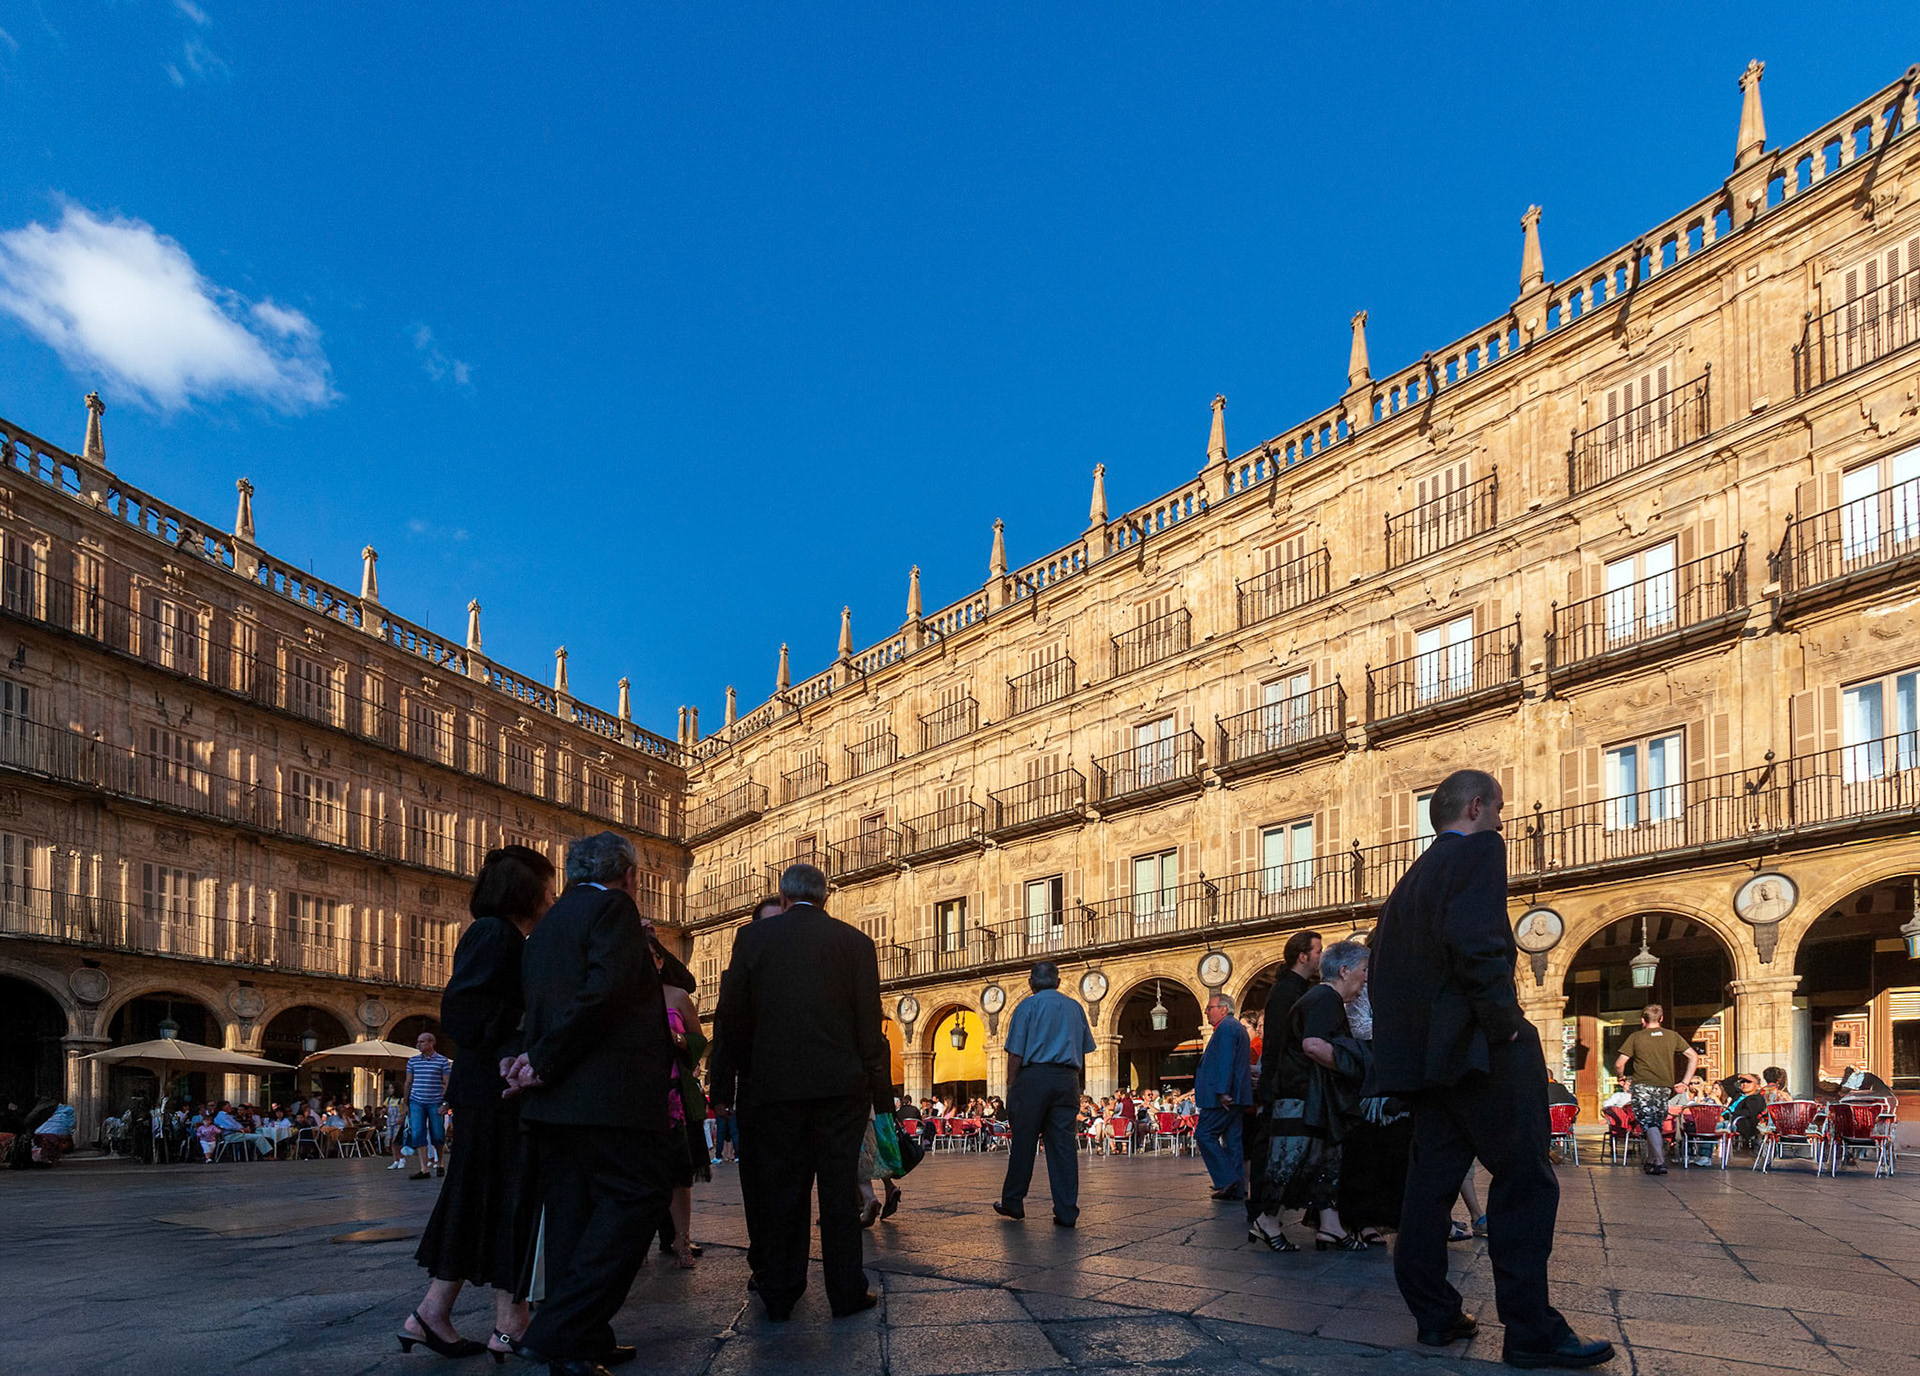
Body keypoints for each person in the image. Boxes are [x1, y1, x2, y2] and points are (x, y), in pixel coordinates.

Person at [1370, 769, 1612, 1368]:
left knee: (1427, 1191)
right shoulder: (1479, 850)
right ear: (1477, 807)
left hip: (1428, 1063)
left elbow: (1385, 975)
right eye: (1500, 810)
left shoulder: (1409, 883)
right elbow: (1477, 943)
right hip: (1479, 1050)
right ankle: (1531, 1332)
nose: (1504, 822)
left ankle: (1436, 1316)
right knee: (1526, 1180)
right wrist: (1505, 1023)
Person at [501, 831, 675, 1376]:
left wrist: (528, 1059)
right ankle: (559, 1332)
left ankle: (581, 1348)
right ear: (629, 875)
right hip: (609, 1097)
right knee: (637, 1198)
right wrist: (544, 1058)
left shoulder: (546, 925)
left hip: (553, 1105)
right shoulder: (615, 908)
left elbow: (538, 1005)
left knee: (572, 1219)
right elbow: (603, 994)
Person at [709, 864, 890, 1321]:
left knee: (782, 1191)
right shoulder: (856, 943)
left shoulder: (753, 939)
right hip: (840, 1090)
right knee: (837, 1191)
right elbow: (870, 1027)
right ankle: (846, 1291)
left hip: (773, 1090)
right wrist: (879, 1091)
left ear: (784, 898)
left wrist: (723, 1084)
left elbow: (730, 1020)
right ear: (826, 897)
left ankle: (781, 1291)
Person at [402, 845, 555, 1362]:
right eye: (549, 887)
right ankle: (510, 1321)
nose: (554, 897)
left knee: (478, 1199)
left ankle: (433, 1312)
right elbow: (462, 1010)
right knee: (508, 1198)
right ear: (527, 891)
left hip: (486, 1093)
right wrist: (525, 1022)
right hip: (493, 1093)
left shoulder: (505, 936)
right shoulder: (495, 934)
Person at [1250, 940, 1370, 1252]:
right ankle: (1267, 1220)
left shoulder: (1320, 997)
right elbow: (1313, 1045)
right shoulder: (1324, 999)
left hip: (1312, 1096)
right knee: (1290, 1160)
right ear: (1344, 971)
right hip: (1301, 1095)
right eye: (1363, 970)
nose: (1366, 977)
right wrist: (1353, 1064)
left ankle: (1330, 1225)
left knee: (1326, 1158)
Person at [706, 893, 785, 1294]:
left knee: (789, 1184)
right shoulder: (740, 971)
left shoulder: (800, 971)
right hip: (755, 1091)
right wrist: (720, 1089)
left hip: (796, 1090)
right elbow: (725, 1030)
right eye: (765, 926)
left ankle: (784, 1261)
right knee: (754, 1181)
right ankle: (762, 1259)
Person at [993, 961, 1096, 1225]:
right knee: (1063, 1146)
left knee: (1024, 1143)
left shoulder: (1027, 1006)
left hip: (1033, 1078)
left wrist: (1011, 1085)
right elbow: (1085, 1047)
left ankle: (1013, 1202)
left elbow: (1015, 1052)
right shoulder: (1075, 1007)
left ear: (1031, 983)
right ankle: (1066, 1210)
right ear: (1058, 982)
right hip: (1067, 1079)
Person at [1337, 977, 1413, 1247]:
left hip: (1399, 1082)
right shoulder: (1362, 991)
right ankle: (1363, 1221)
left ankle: (1392, 1219)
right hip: (1370, 1086)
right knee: (1366, 1157)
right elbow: (1359, 1028)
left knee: (1398, 1157)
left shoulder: (1400, 986)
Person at [1612, 1005, 1698, 1176]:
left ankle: (1659, 1161)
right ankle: (1651, 1160)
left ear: (1643, 1020)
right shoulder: (1672, 1036)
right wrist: (1685, 1082)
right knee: (1655, 1124)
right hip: (1664, 1087)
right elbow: (1693, 1056)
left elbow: (1619, 1063)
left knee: (1649, 1123)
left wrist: (1621, 1077)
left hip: (1643, 1085)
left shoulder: (1636, 1037)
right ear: (1661, 1019)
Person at [661, 982, 711, 1269]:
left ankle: (681, 1238)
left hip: (673, 1093)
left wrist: (676, 1038)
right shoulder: (621, 989)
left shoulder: (677, 996)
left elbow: (699, 1041)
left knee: (680, 1172)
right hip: (635, 1092)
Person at [1194, 991, 1251, 1200]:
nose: (1207, 1012)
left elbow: (1225, 1061)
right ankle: (1235, 1187)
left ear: (1223, 1009)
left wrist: (1222, 1091)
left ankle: (1226, 1179)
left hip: (1222, 1097)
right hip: (1237, 1095)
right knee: (1233, 1139)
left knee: (1204, 1134)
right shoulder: (1236, 1028)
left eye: (1210, 1008)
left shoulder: (1226, 1028)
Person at [403, 1032, 453, 1180]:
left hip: (435, 1101)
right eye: (418, 1041)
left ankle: (440, 1163)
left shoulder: (443, 1061)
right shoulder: (413, 1061)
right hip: (416, 1101)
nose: (419, 1044)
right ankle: (424, 1168)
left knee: (437, 1133)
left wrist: (446, 1103)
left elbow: (447, 1083)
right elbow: (408, 1083)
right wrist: (405, 1103)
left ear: (431, 1043)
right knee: (418, 1133)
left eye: (422, 1042)